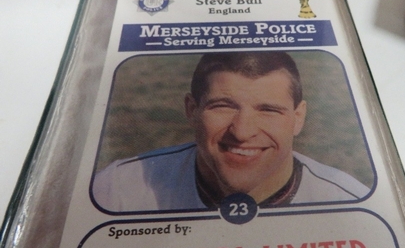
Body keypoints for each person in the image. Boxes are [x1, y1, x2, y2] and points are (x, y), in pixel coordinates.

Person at [93, 52, 370, 212]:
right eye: (223, 106)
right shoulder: (117, 190)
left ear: (298, 118)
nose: (242, 132)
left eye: (268, 110)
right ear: (192, 109)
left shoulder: (349, 202)